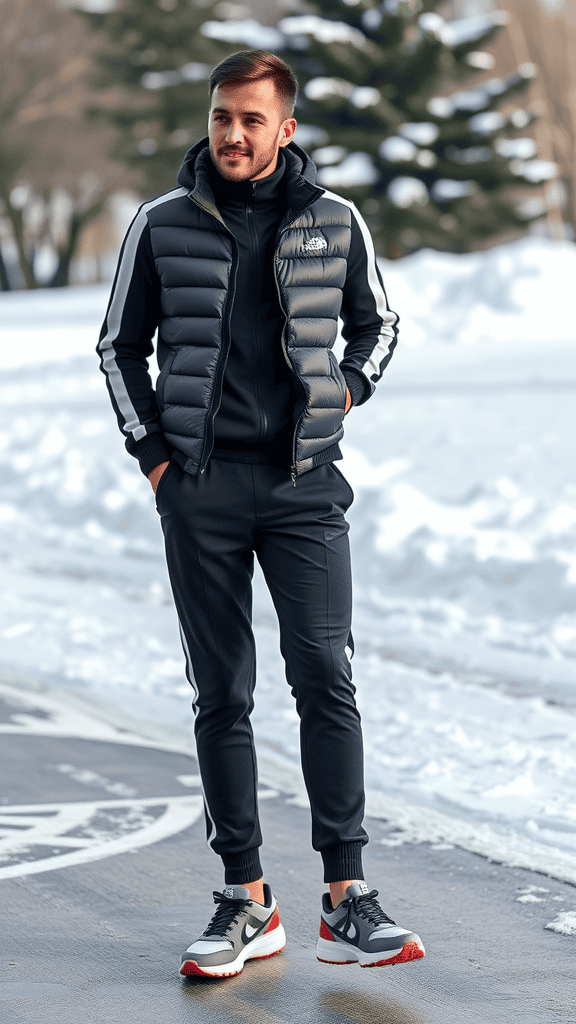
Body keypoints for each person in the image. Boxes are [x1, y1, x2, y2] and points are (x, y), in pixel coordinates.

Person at [98, 49, 425, 979]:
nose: (232, 135)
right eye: (220, 117)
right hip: (199, 487)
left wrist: (346, 394)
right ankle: (245, 899)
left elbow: (381, 325)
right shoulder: (159, 224)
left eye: (251, 119)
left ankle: (346, 897)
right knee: (223, 691)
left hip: (304, 487)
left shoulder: (334, 219)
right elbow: (116, 347)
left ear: (286, 129)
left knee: (325, 673)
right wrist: (156, 461)